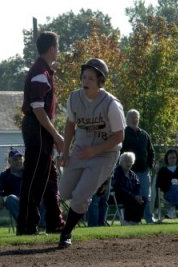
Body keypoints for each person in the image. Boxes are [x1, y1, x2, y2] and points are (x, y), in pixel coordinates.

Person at [58, 58, 125, 249]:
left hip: (105, 154)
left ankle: (66, 232)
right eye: (84, 77)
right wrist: (65, 153)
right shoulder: (74, 98)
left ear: (101, 82)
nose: (86, 81)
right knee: (62, 192)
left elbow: (119, 136)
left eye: (91, 78)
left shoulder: (111, 104)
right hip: (81, 150)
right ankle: (93, 189)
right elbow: (70, 125)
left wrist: (94, 151)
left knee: (80, 196)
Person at [17, 31, 65, 235]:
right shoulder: (40, 74)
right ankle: (27, 224)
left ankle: (55, 220)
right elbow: (38, 110)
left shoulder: (43, 71)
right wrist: (56, 135)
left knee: (49, 177)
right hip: (37, 127)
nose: (59, 51)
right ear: (52, 49)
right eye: (58, 47)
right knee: (35, 177)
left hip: (39, 128)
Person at [120, 109, 155, 224]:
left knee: (146, 197)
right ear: (127, 119)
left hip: (144, 171)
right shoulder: (123, 134)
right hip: (128, 173)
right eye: (132, 117)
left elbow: (151, 152)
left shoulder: (144, 135)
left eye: (136, 117)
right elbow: (118, 152)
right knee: (131, 197)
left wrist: (149, 165)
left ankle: (149, 219)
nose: (135, 119)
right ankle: (132, 220)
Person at [112, 152, 145, 225]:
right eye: (126, 161)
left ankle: (135, 221)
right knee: (129, 199)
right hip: (118, 196)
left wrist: (137, 195)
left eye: (130, 161)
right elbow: (118, 187)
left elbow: (137, 186)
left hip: (132, 195)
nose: (129, 163)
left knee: (143, 200)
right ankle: (127, 220)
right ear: (121, 162)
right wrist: (133, 195)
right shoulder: (117, 172)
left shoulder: (132, 174)